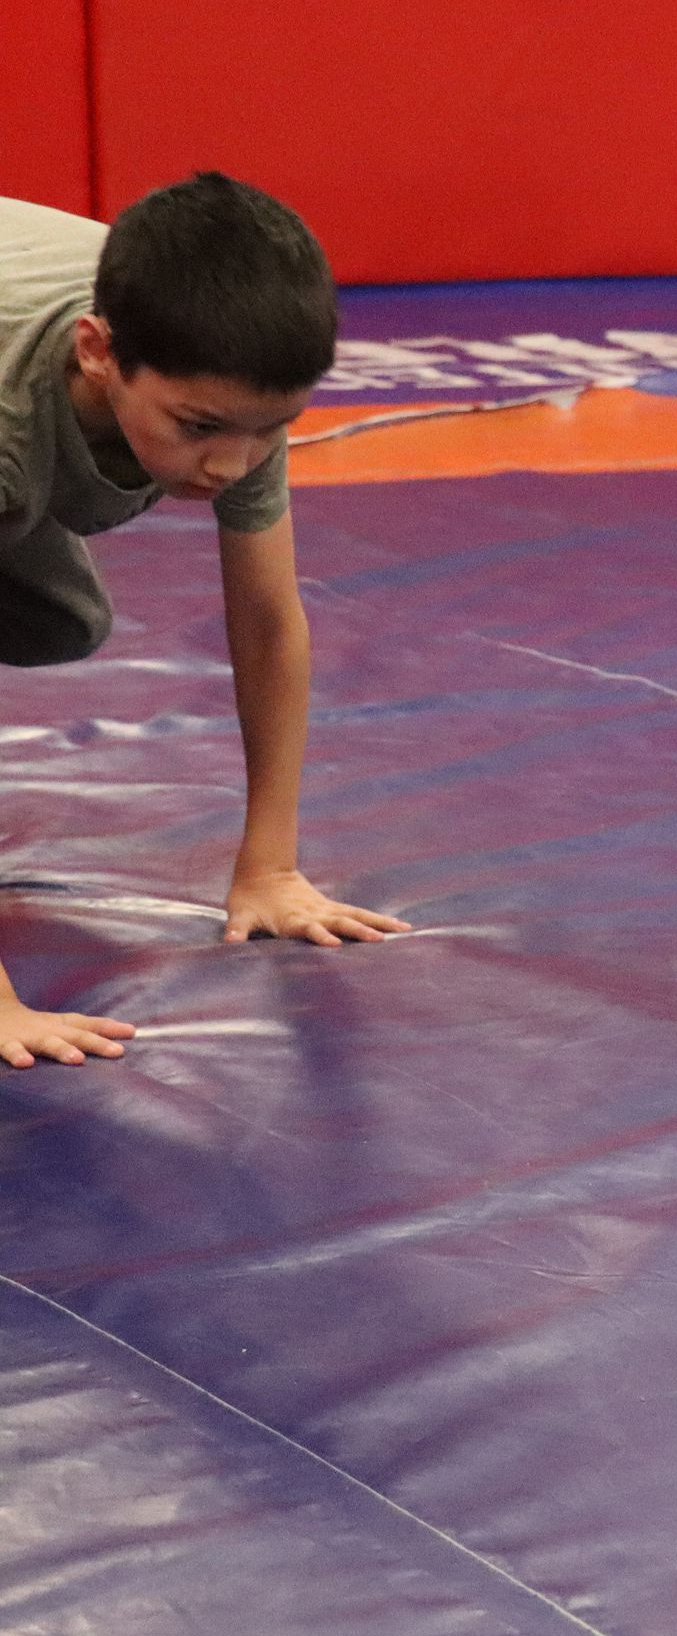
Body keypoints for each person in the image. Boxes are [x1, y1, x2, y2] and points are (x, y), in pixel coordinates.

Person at [0, 176, 406, 1071]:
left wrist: (271, 868)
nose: (231, 463)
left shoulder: (232, 386)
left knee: (57, 621)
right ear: (97, 352)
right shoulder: (10, 423)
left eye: (269, 429)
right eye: (198, 428)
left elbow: (268, 620)